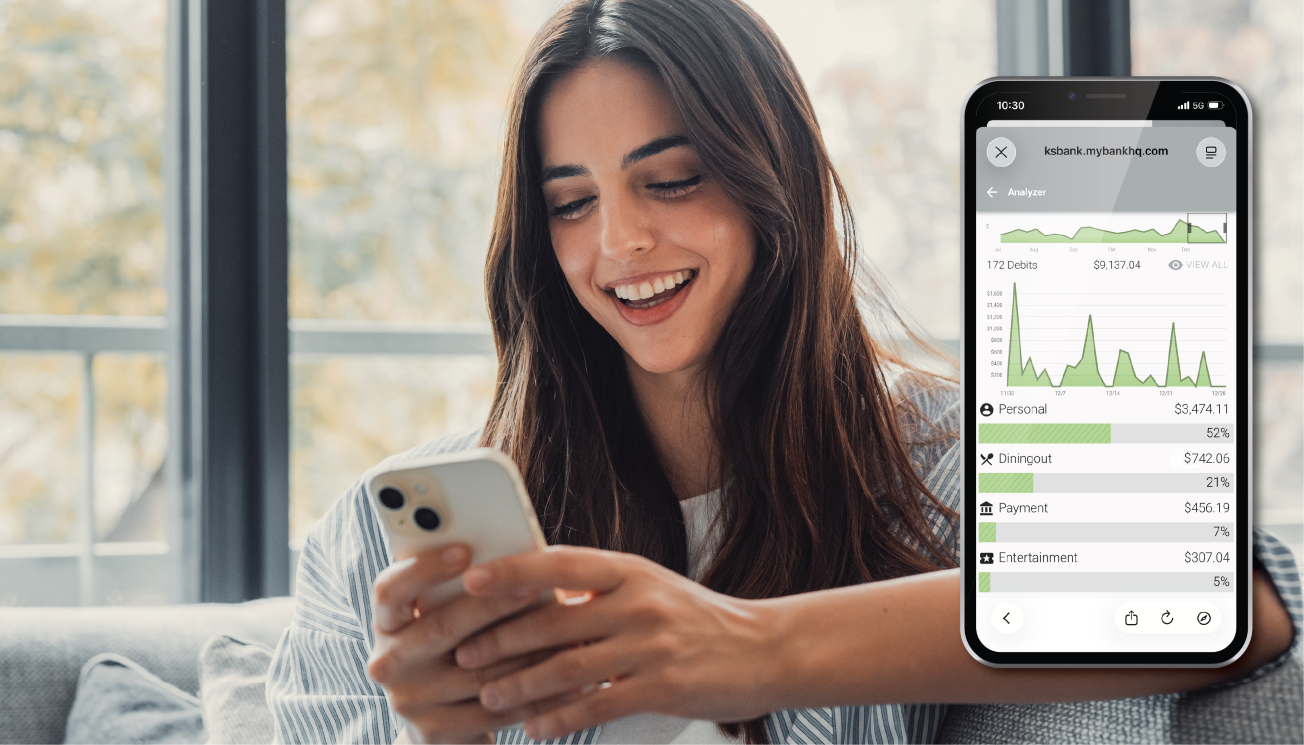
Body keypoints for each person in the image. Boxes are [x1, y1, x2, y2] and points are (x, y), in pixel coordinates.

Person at [266, 1, 1300, 743]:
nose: (619, 241)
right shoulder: (377, 535)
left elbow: (1233, 608)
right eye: (569, 203)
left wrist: (750, 648)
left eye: (670, 180)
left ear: (777, 183)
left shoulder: (950, 471)